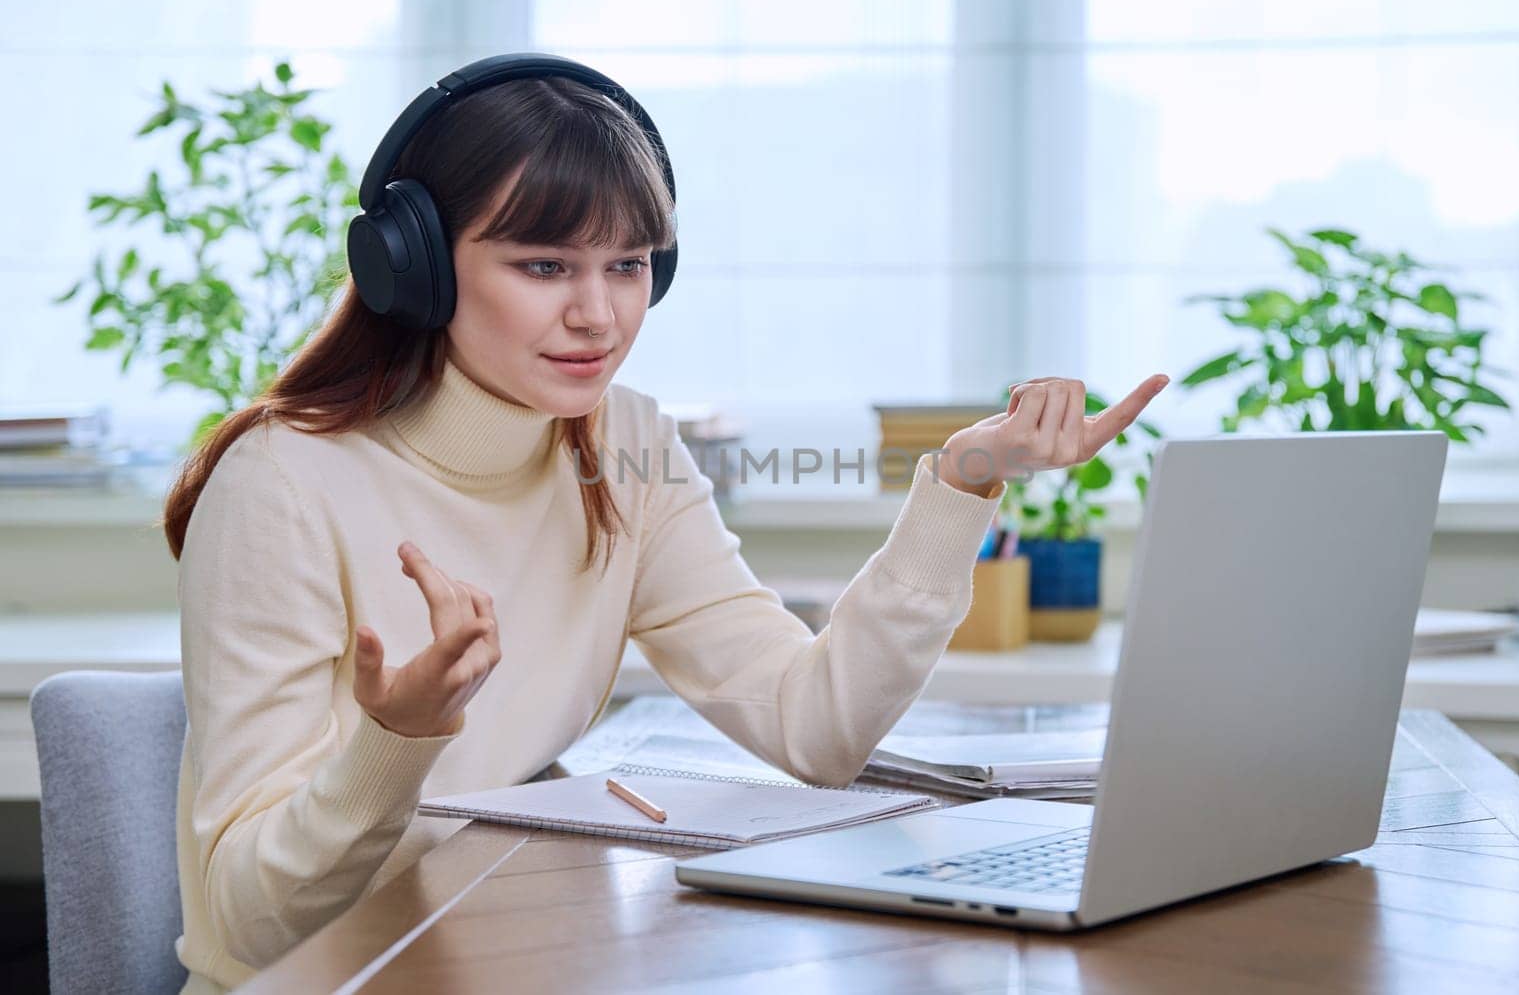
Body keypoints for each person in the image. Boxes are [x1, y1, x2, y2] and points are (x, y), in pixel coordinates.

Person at [162, 58, 1168, 992]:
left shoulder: (622, 444)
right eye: (545, 266)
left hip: (497, 947)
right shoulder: (282, 484)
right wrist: (397, 738)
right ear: (412, 264)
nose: (600, 315)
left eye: (630, 265)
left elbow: (814, 727)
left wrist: (962, 481)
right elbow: (249, 924)